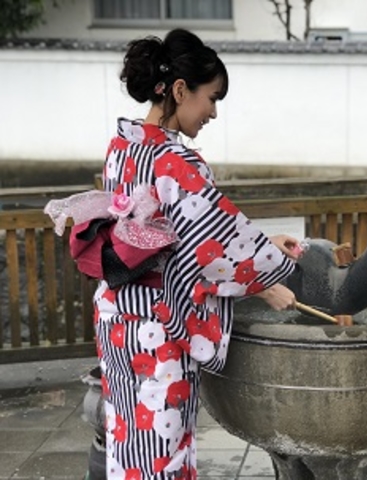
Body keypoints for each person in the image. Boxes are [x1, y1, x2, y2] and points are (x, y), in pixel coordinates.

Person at [51, 28, 302, 479]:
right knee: (163, 451)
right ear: (181, 90)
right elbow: (207, 245)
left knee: (129, 441)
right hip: (158, 328)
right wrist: (267, 280)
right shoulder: (177, 163)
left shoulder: (122, 148)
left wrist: (265, 244)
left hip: (116, 318)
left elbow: (195, 234)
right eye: (212, 98)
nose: (214, 112)